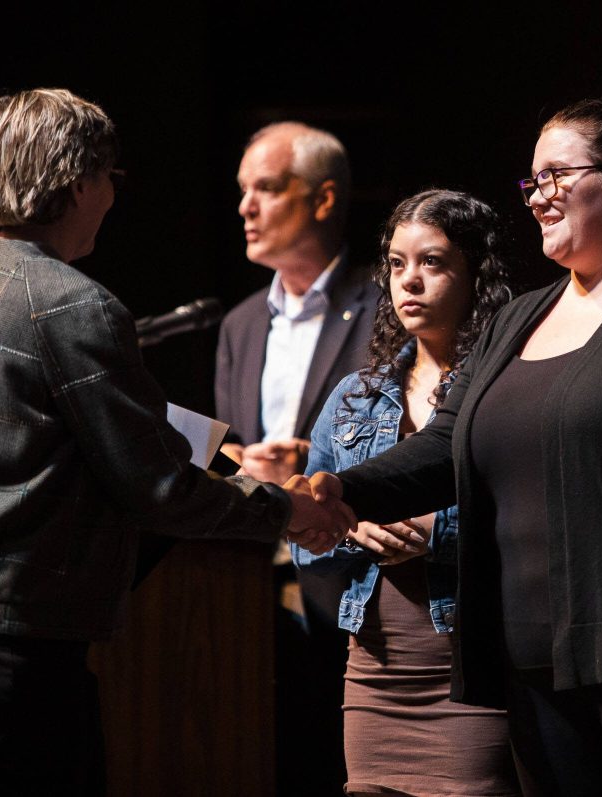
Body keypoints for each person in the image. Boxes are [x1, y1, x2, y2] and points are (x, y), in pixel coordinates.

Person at [304, 76, 602, 796]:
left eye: (556, 176)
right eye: (532, 181)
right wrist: (344, 488)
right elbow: (447, 445)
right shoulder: (521, 318)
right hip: (531, 658)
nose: (537, 194)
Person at [0, 89, 347, 796]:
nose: (113, 196)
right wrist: (285, 509)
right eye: (111, 177)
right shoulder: (72, 303)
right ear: (80, 183)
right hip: (16, 643)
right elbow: (159, 485)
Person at [293, 189, 519, 797]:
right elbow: (305, 548)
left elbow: (535, 522)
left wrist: (436, 535)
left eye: (433, 263)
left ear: (477, 273)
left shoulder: (507, 389)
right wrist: (349, 529)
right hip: (375, 671)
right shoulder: (354, 397)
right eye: (397, 264)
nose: (409, 281)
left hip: (472, 669)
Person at [215, 120, 378, 795]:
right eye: (242, 190)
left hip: (351, 588)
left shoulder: (386, 303)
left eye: (266, 188)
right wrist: (238, 461)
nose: (245, 207)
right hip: (245, 594)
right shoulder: (241, 320)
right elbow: (228, 445)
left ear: (323, 199)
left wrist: (311, 459)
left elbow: (416, 433)